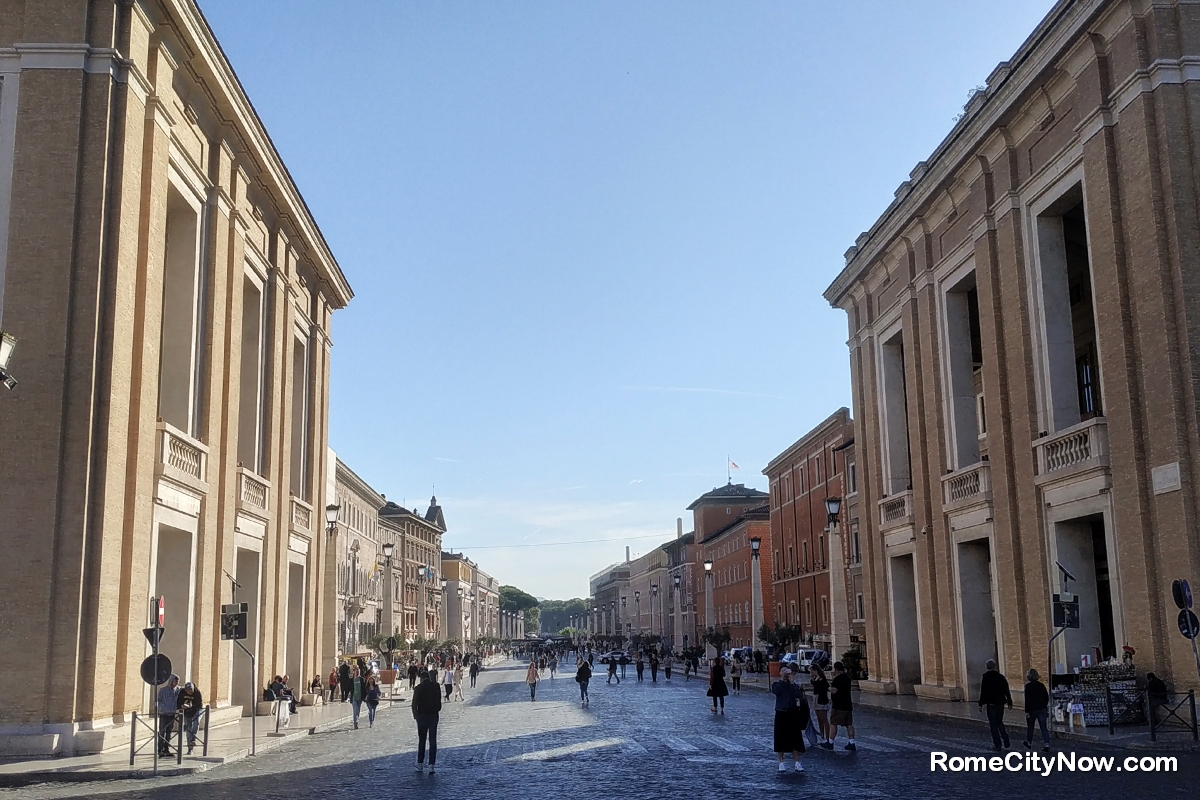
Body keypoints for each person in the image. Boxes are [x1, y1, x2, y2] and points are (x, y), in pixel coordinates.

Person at [771, 667, 808, 772]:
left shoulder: (794, 685)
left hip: (792, 712)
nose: (785, 674)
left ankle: (797, 762)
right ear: (779, 673)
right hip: (781, 712)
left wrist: (792, 682)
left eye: (787, 671)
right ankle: (781, 762)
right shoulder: (776, 684)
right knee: (780, 737)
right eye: (783, 671)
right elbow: (776, 691)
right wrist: (783, 680)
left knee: (795, 737)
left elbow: (798, 695)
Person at [977, 659, 1012, 751]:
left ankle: (997, 745)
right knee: (999, 722)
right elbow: (1006, 689)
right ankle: (1005, 737)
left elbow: (983, 691)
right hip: (1000, 702)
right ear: (994, 666)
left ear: (987, 667)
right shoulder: (1000, 677)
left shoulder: (986, 677)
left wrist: (980, 704)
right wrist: (1009, 701)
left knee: (993, 725)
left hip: (991, 703)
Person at [411, 669, 442, 773]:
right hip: (433, 716)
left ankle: (420, 763)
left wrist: (416, 717)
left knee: (422, 740)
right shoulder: (436, 686)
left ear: (420, 678)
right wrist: (436, 709)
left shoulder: (418, 688)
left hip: (422, 717)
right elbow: (439, 701)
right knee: (433, 740)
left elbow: (414, 704)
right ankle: (431, 765)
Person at [824, 661, 856, 751]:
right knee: (849, 724)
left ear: (836, 669)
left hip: (838, 705)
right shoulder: (848, 678)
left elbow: (834, 690)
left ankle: (830, 743)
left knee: (833, 724)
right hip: (848, 705)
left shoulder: (838, 679)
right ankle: (852, 742)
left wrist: (827, 687)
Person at [1021, 668, 1050, 751]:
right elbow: (1046, 697)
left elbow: (1027, 699)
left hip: (1032, 710)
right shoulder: (1041, 685)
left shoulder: (1028, 686)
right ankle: (1047, 744)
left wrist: (1027, 711)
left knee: (1030, 727)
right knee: (1043, 727)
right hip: (1042, 708)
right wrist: (1045, 706)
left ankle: (1029, 742)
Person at [157, 674, 180, 756]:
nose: (176, 683)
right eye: (175, 681)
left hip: (172, 714)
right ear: (171, 681)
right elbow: (157, 701)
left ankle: (166, 749)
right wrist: (162, 706)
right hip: (164, 714)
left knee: (169, 732)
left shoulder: (178, 690)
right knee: (162, 732)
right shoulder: (163, 690)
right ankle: (160, 749)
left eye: (177, 682)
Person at [178, 680, 203, 755]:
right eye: (188, 691)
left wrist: (192, 706)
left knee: (196, 721)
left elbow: (200, 705)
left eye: (191, 690)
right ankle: (190, 748)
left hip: (196, 710)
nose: (190, 692)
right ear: (185, 690)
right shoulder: (182, 692)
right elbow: (178, 703)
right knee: (188, 728)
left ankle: (193, 739)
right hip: (187, 712)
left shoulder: (197, 692)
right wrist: (181, 706)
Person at [809, 664, 832, 748]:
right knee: (819, 719)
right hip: (816, 699)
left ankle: (828, 738)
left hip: (822, 700)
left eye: (812, 671)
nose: (810, 673)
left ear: (816, 671)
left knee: (824, 719)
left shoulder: (822, 680)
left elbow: (825, 688)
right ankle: (822, 736)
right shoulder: (814, 679)